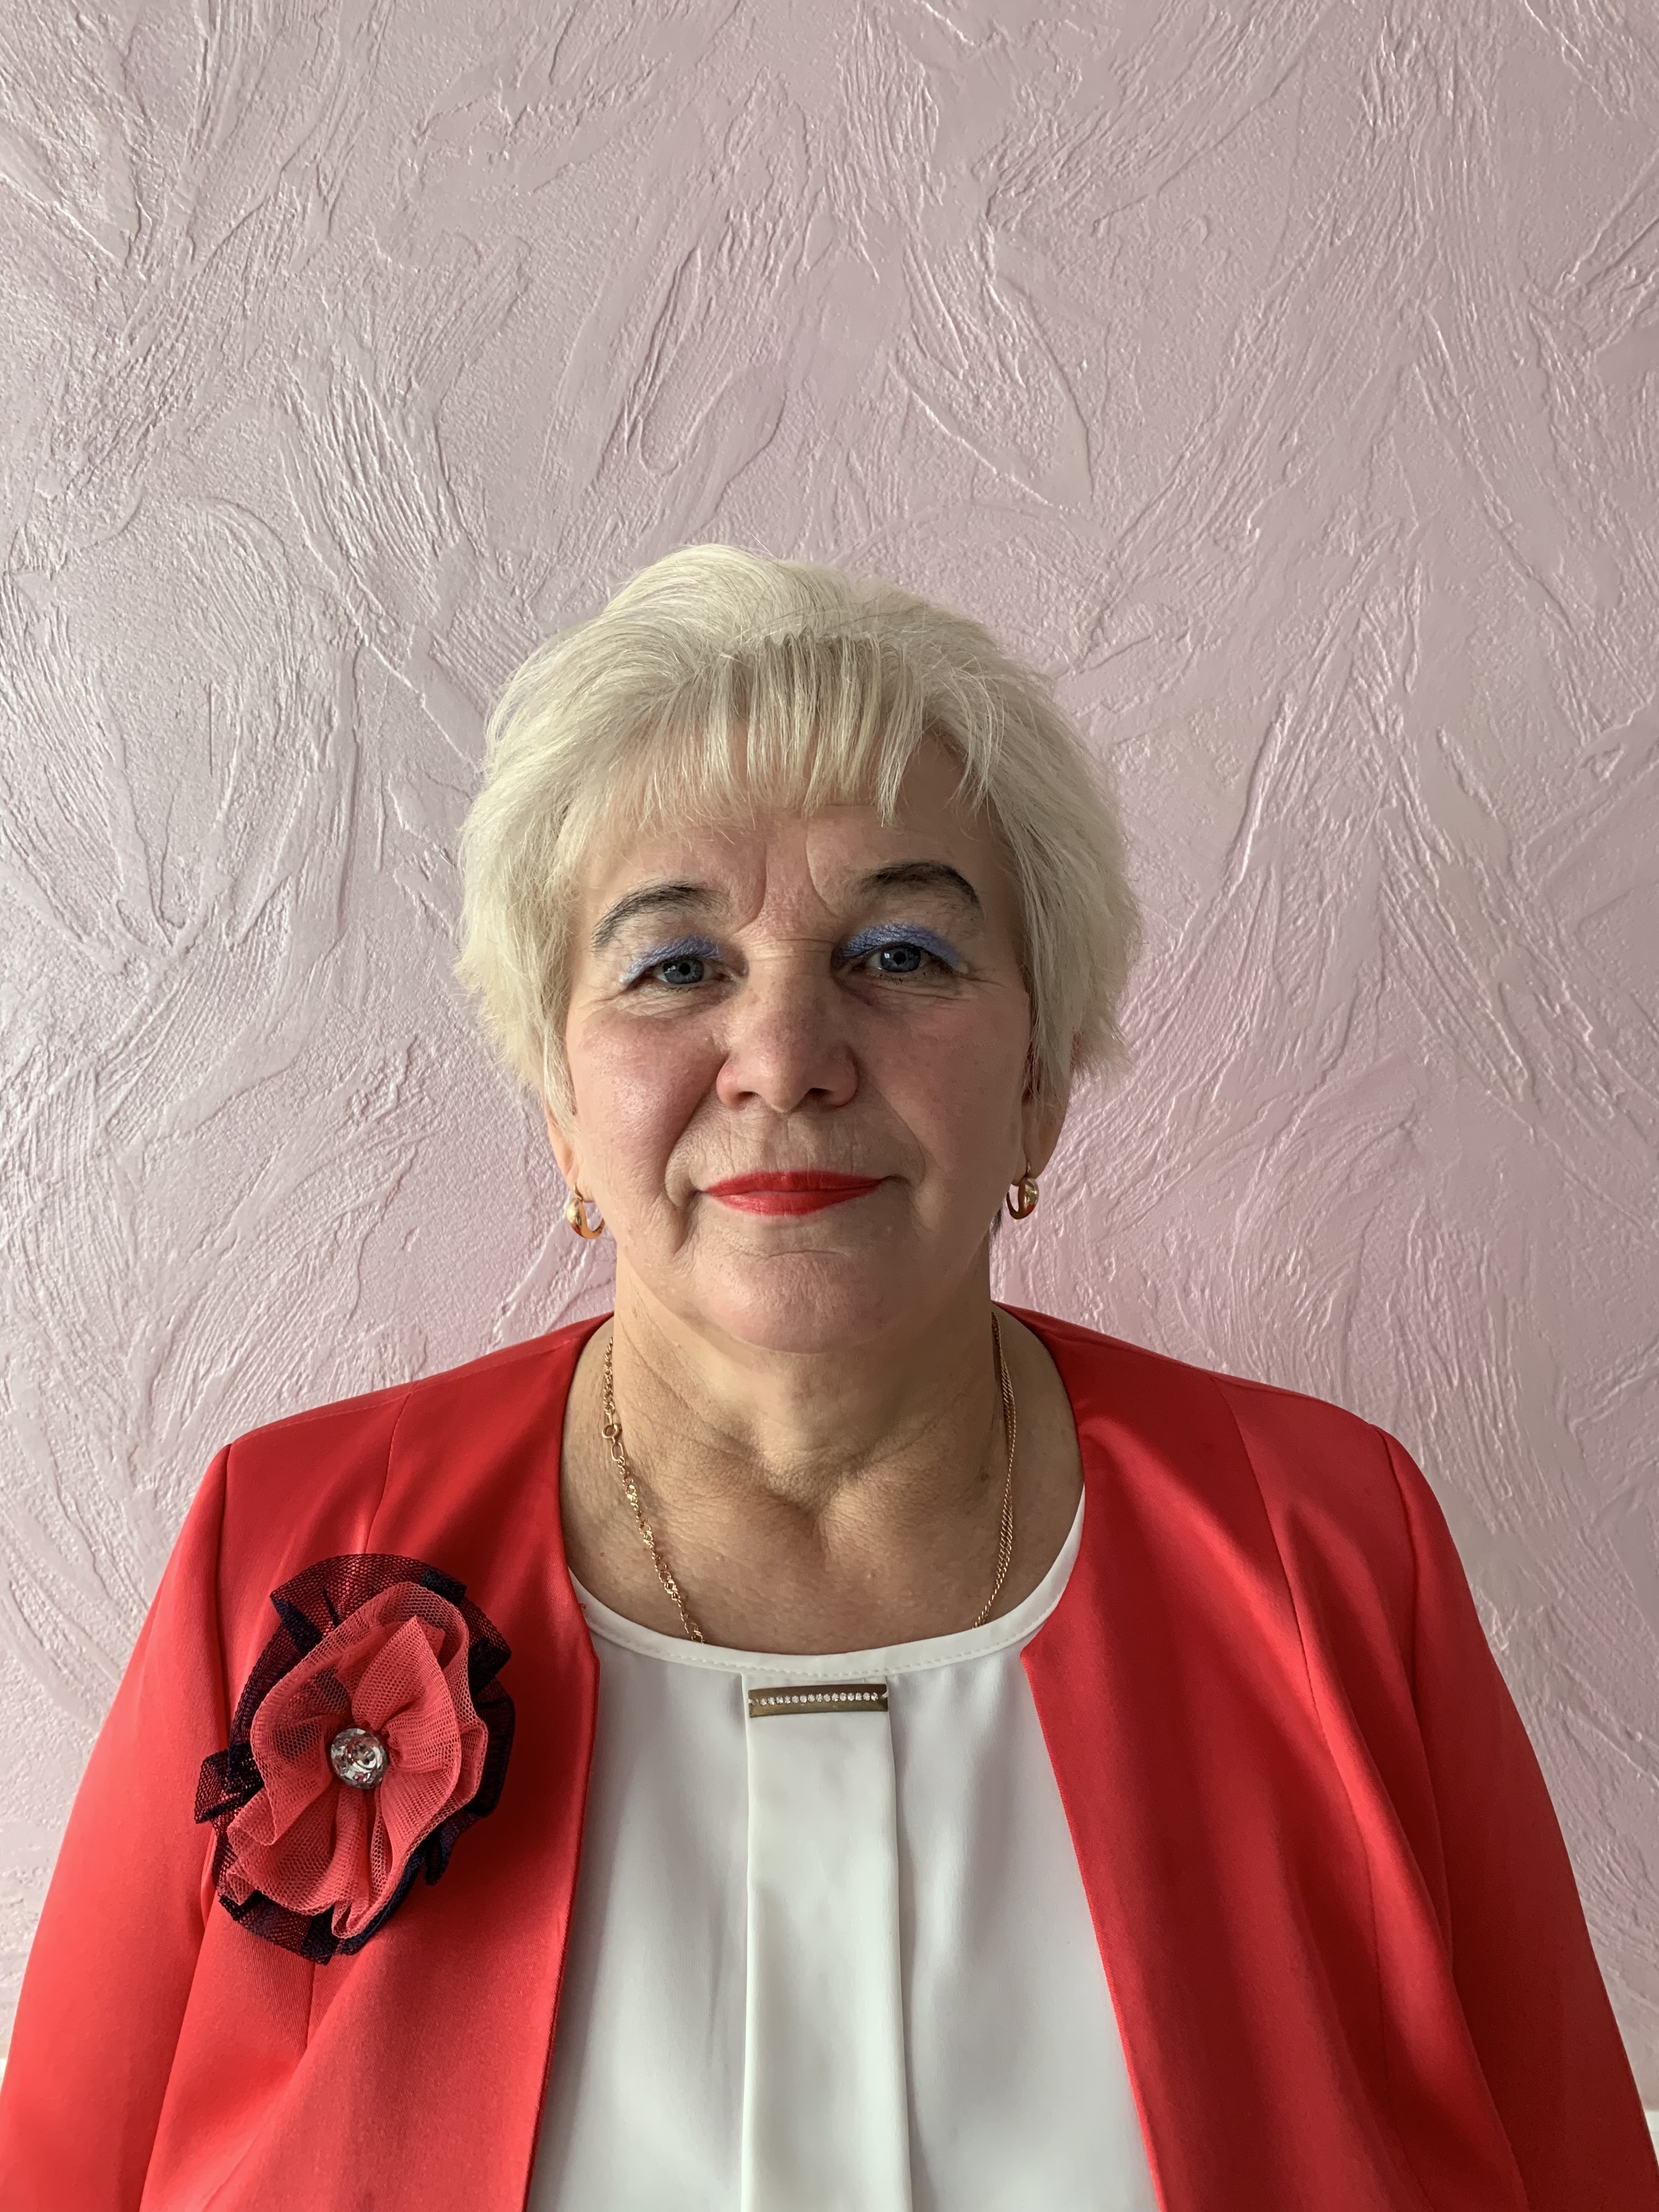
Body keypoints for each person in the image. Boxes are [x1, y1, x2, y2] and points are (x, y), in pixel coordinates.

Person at [1, 546, 1652, 2212]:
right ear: (560, 1099)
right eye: (676, 965)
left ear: (1041, 1078)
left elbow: (1572, 2162)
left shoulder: (1330, 1546)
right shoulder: (281, 1543)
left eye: (905, 954)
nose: (787, 1057)